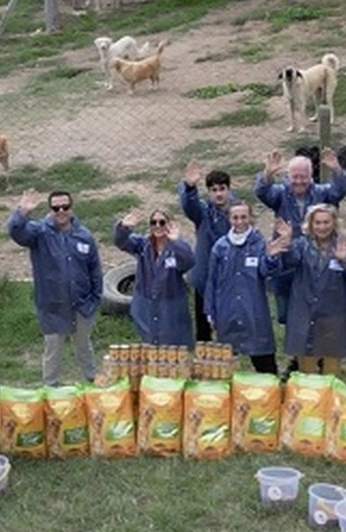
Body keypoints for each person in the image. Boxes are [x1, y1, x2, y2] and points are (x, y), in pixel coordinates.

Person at [254, 148, 346, 374]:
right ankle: (301, 356)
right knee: (289, 316)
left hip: (315, 264)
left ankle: (313, 358)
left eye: (303, 177)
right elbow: (262, 192)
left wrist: (337, 170)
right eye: (294, 177)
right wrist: (267, 174)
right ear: (288, 177)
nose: (299, 181)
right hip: (287, 263)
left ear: (311, 176)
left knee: (316, 311)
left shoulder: (321, 192)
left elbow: (339, 190)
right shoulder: (280, 194)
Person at [8, 188, 103, 385]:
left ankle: (92, 381)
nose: (61, 211)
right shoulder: (39, 232)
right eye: (56, 207)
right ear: (50, 209)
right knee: (53, 348)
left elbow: (95, 269)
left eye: (65, 207)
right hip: (52, 306)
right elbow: (16, 232)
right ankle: (50, 386)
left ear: (71, 208)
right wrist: (22, 213)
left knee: (84, 345)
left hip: (81, 304)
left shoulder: (84, 235)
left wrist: (95, 298)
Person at [269, 204, 346, 375]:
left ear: (334, 223)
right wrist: (288, 243)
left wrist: (344, 260)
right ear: (310, 225)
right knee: (306, 361)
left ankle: (329, 395)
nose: (322, 227)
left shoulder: (342, 245)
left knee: (331, 361)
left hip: (334, 312)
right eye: (317, 223)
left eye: (326, 222)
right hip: (305, 308)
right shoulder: (301, 244)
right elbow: (289, 262)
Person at [204, 201, 278, 375]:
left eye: (244, 217)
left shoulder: (259, 243)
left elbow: (264, 271)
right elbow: (212, 281)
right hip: (227, 310)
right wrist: (210, 310)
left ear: (250, 218)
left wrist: (271, 258)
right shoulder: (220, 246)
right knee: (226, 364)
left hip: (253, 309)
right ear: (229, 219)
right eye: (235, 217)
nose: (239, 221)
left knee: (264, 363)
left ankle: (271, 394)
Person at [113, 208, 195, 347]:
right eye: (153, 222)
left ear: (169, 225)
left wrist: (176, 242)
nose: (157, 226)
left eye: (162, 222)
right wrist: (123, 228)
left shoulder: (177, 247)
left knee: (173, 346)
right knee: (150, 342)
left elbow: (188, 262)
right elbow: (121, 242)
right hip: (146, 303)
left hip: (170, 305)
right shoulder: (143, 244)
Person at [179, 160, 235, 343]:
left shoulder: (238, 213)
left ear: (228, 189)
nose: (218, 194)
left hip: (230, 277)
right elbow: (190, 205)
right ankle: (204, 363)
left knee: (228, 324)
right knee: (203, 329)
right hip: (204, 277)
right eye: (214, 190)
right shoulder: (203, 212)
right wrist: (189, 187)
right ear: (209, 192)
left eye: (222, 189)